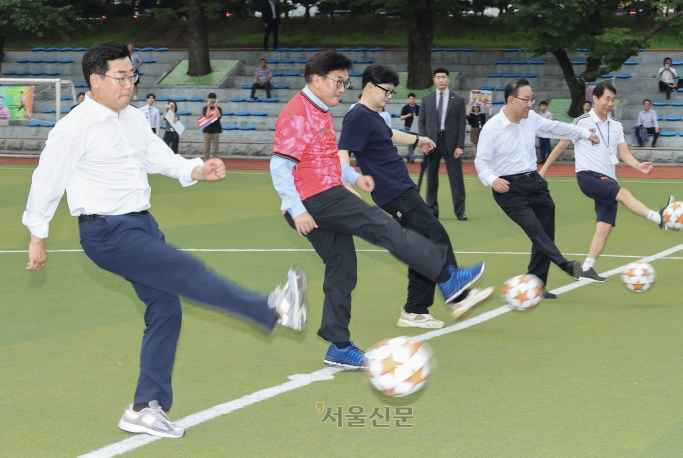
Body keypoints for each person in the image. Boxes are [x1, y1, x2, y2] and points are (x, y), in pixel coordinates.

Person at [21, 41, 308, 440]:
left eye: (132, 75)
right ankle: (271, 309)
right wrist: (39, 235)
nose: (129, 84)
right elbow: (46, 181)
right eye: (120, 77)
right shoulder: (73, 128)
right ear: (95, 80)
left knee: (165, 308)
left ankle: (143, 407)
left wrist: (196, 170)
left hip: (141, 225)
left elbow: (158, 157)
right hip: (107, 231)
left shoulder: (134, 119)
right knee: (186, 271)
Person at [270, 51, 485, 369]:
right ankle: (447, 278)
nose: (342, 88)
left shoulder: (320, 112)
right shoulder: (298, 112)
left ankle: (339, 346)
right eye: (337, 81)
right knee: (384, 228)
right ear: (316, 79)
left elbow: (327, 160)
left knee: (343, 268)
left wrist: (355, 177)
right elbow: (280, 165)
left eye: (345, 82)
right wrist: (296, 208)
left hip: (318, 197)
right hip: (316, 199)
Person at [338, 64, 494, 329]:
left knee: (419, 247)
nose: (389, 96)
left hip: (401, 186)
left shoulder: (374, 114)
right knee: (436, 237)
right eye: (386, 91)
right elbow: (343, 150)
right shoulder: (357, 117)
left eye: (392, 91)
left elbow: (389, 135)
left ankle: (415, 309)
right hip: (391, 192)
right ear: (369, 87)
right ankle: (458, 294)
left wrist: (417, 139)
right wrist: (346, 180)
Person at [474, 78, 601, 298]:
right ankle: (565, 265)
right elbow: (481, 162)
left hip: (534, 182)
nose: (530, 103)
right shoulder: (492, 128)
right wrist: (493, 179)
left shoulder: (531, 118)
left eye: (531, 99)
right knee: (535, 229)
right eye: (526, 99)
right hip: (508, 188)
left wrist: (584, 133)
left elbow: (554, 127)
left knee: (545, 231)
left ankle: (537, 284)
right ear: (511, 100)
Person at [539, 82, 676, 282]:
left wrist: (638, 166)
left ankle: (586, 269)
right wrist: (543, 170)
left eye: (613, 99)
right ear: (595, 99)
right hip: (588, 176)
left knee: (604, 227)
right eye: (606, 99)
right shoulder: (581, 122)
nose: (610, 103)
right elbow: (561, 146)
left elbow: (624, 153)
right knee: (624, 194)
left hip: (607, 179)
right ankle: (660, 218)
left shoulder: (616, 125)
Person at [418, 67, 467, 221]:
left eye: (443, 77)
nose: (440, 80)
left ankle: (460, 211)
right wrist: (423, 142)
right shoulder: (427, 99)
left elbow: (461, 124)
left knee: (456, 179)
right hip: (432, 143)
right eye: (438, 77)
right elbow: (422, 122)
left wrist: (460, 145)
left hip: (451, 143)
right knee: (431, 178)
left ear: (448, 79)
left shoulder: (458, 100)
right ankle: (432, 210)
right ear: (434, 80)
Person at [202, 92, 222, 160]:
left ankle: (215, 163)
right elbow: (207, 116)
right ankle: (206, 163)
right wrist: (208, 105)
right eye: (211, 99)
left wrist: (215, 105)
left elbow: (219, 116)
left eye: (213, 99)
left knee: (215, 150)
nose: (212, 100)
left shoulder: (219, 108)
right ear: (208, 99)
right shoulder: (205, 108)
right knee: (206, 149)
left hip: (216, 130)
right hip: (207, 130)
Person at [400, 93, 420, 163]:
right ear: (408, 99)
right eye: (410, 99)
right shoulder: (405, 108)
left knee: (415, 141)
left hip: (416, 126)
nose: (411, 100)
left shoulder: (418, 107)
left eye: (413, 98)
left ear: (415, 99)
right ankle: (411, 158)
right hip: (408, 126)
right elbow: (401, 117)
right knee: (410, 142)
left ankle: (408, 155)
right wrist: (408, 115)